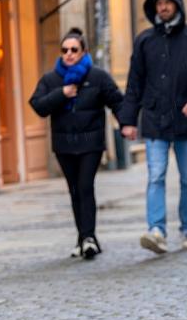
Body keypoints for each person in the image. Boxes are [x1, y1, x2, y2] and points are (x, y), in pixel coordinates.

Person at [118, 0, 187, 254]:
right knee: (156, 176)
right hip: (154, 119)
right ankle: (157, 231)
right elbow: (134, 82)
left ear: (177, 4)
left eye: (166, 2)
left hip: (186, 119)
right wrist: (127, 120)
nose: (162, 7)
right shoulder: (145, 40)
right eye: (157, 3)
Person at [29, 28, 123, 260]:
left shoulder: (97, 76)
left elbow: (116, 101)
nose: (69, 54)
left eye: (74, 50)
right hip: (64, 145)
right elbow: (38, 105)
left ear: (83, 52)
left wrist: (127, 124)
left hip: (91, 143)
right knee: (74, 190)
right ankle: (84, 238)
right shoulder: (52, 79)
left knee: (84, 186)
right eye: (65, 50)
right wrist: (61, 93)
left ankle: (88, 237)